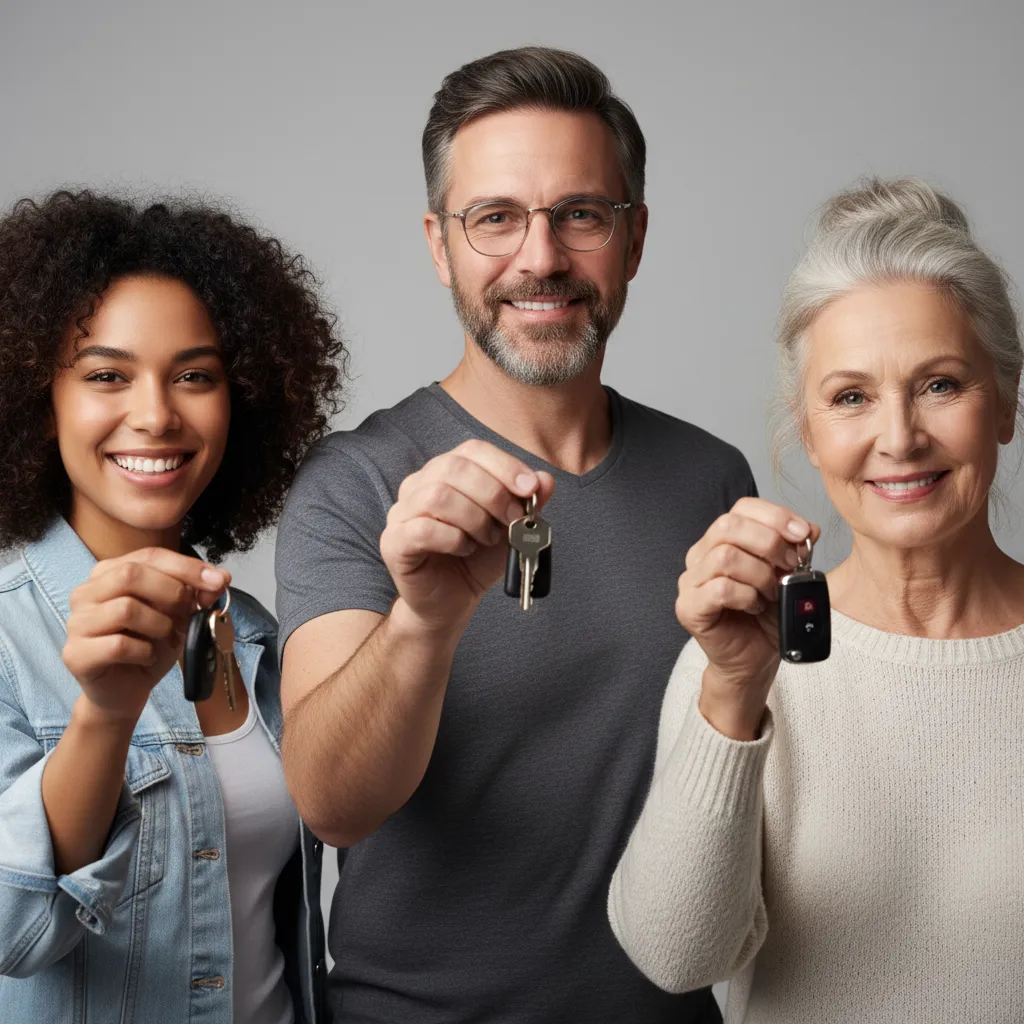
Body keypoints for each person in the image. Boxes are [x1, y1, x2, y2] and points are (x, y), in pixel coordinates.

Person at [276, 46, 754, 1023]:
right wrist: (424, 617)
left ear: (633, 238)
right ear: (439, 244)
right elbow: (330, 802)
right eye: (495, 217)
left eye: (580, 214)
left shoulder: (711, 476)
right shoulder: (354, 483)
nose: (540, 258)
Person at [608, 177, 1024, 1021]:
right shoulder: (738, 662)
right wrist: (733, 691)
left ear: (1006, 402)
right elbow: (676, 958)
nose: (899, 437)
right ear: (808, 430)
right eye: (851, 398)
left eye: (941, 384)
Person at [0, 190, 345, 1023]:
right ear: (38, 399)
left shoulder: (260, 636)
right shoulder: (7, 636)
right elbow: (14, 933)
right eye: (107, 376)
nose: (155, 415)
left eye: (194, 375)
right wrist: (104, 715)